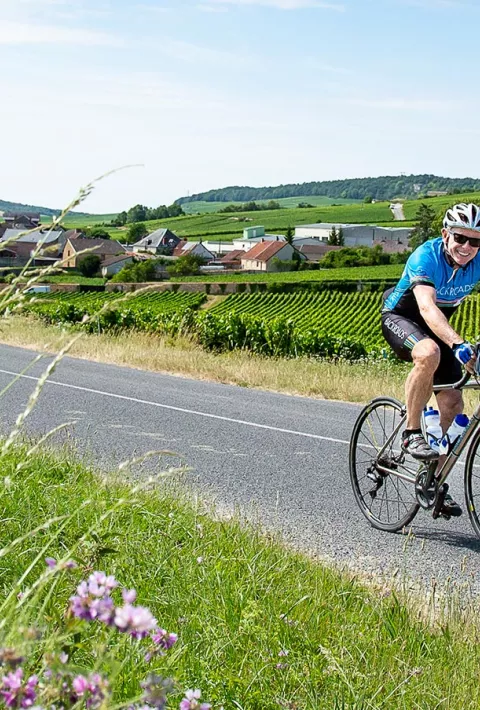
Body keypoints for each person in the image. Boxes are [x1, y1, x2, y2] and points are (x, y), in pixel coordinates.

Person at [382, 203, 480, 516]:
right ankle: (412, 433)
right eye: (460, 238)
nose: (466, 247)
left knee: (452, 404)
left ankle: (431, 481)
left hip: (439, 329)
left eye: (475, 241)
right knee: (429, 352)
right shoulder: (425, 256)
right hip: (403, 317)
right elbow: (426, 307)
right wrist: (458, 343)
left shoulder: (476, 262)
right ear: (444, 235)